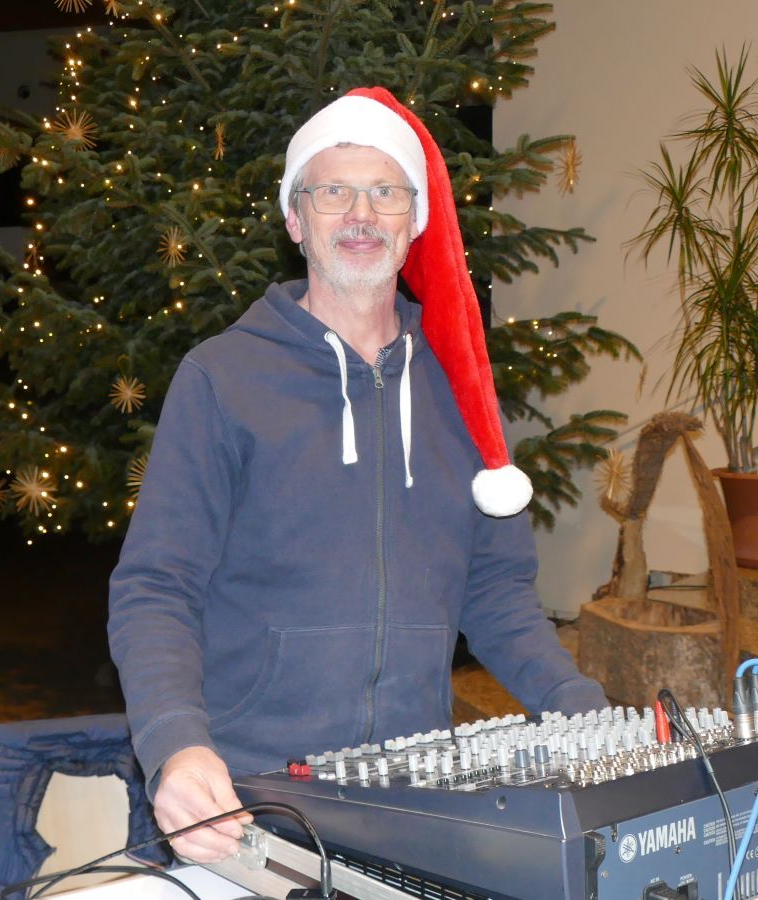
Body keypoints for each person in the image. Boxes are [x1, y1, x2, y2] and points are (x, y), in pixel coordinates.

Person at [108, 87, 609, 864]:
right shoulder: (221, 378)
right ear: (295, 220)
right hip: (248, 801)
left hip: (416, 796)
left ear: (415, 221)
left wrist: (582, 708)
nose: (361, 215)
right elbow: (156, 588)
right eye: (333, 192)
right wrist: (177, 746)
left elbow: (496, 592)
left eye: (385, 193)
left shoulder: (461, 388)